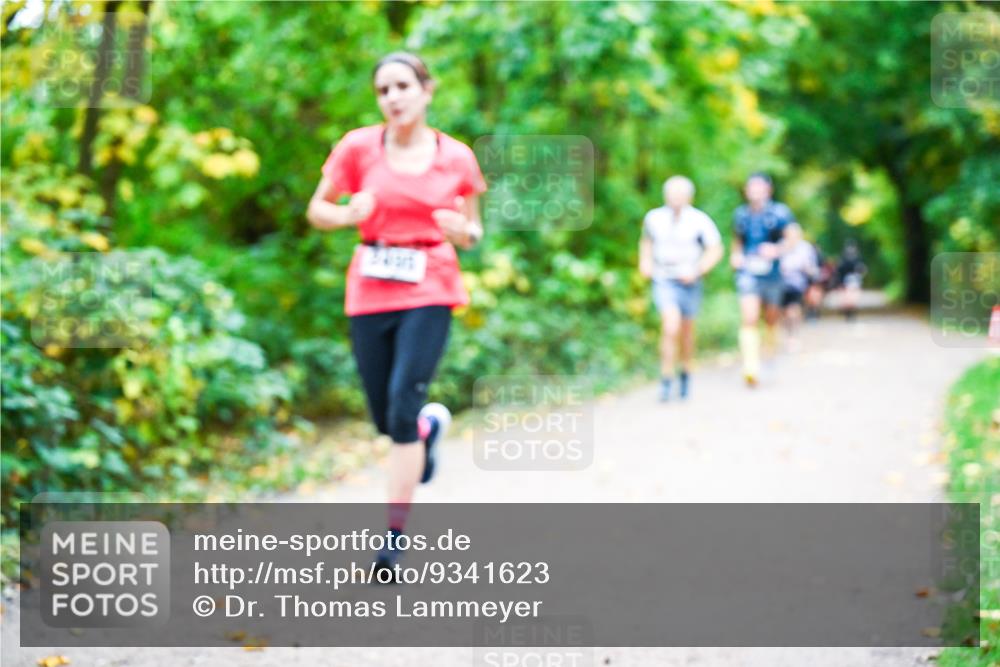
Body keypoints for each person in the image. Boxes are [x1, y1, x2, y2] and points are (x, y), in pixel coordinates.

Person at [306, 52, 486, 573]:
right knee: (387, 418)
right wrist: (345, 215)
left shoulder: (456, 157)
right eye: (383, 90)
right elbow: (318, 209)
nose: (393, 98)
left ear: (427, 90)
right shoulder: (358, 148)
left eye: (403, 86)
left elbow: (473, 232)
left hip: (430, 282)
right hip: (371, 283)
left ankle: (393, 536)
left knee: (402, 405)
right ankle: (428, 430)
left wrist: (462, 232)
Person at [639, 175, 724, 401]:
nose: (675, 198)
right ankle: (666, 377)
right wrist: (645, 262)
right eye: (671, 193)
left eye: (679, 194)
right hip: (664, 278)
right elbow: (646, 243)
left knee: (686, 331)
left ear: (689, 197)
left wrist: (697, 270)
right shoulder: (654, 218)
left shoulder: (699, 220)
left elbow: (715, 249)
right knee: (670, 326)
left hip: (690, 280)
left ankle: (686, 370)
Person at [730, 173, 795, 387]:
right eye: (751, 187)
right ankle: (751, 366)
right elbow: (737, 242)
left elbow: (793, 238)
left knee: (771, 318)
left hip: (773, 273)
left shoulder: (780, 213)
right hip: (748, 272)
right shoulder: (741, 215)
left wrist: (776, 250)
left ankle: (770, 356)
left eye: (759, 187)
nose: (754, 191)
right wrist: (736, 256)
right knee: (748, 317)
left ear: (768, 190)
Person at [779, 223, 819, 351]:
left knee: (793, 310)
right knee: (784, 313)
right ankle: (787, 336)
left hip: (797, 284)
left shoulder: (805, 248)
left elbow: (812, 268)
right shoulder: (779, 246)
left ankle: (793, 337)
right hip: (780, 284)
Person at [835, 239, 866, 321]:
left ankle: (851, 313)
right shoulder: (845, 258)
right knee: (848, 299)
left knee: (852, 298)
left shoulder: (856, 258)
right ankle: (849, 313)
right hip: (847, 281)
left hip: (853, 280)